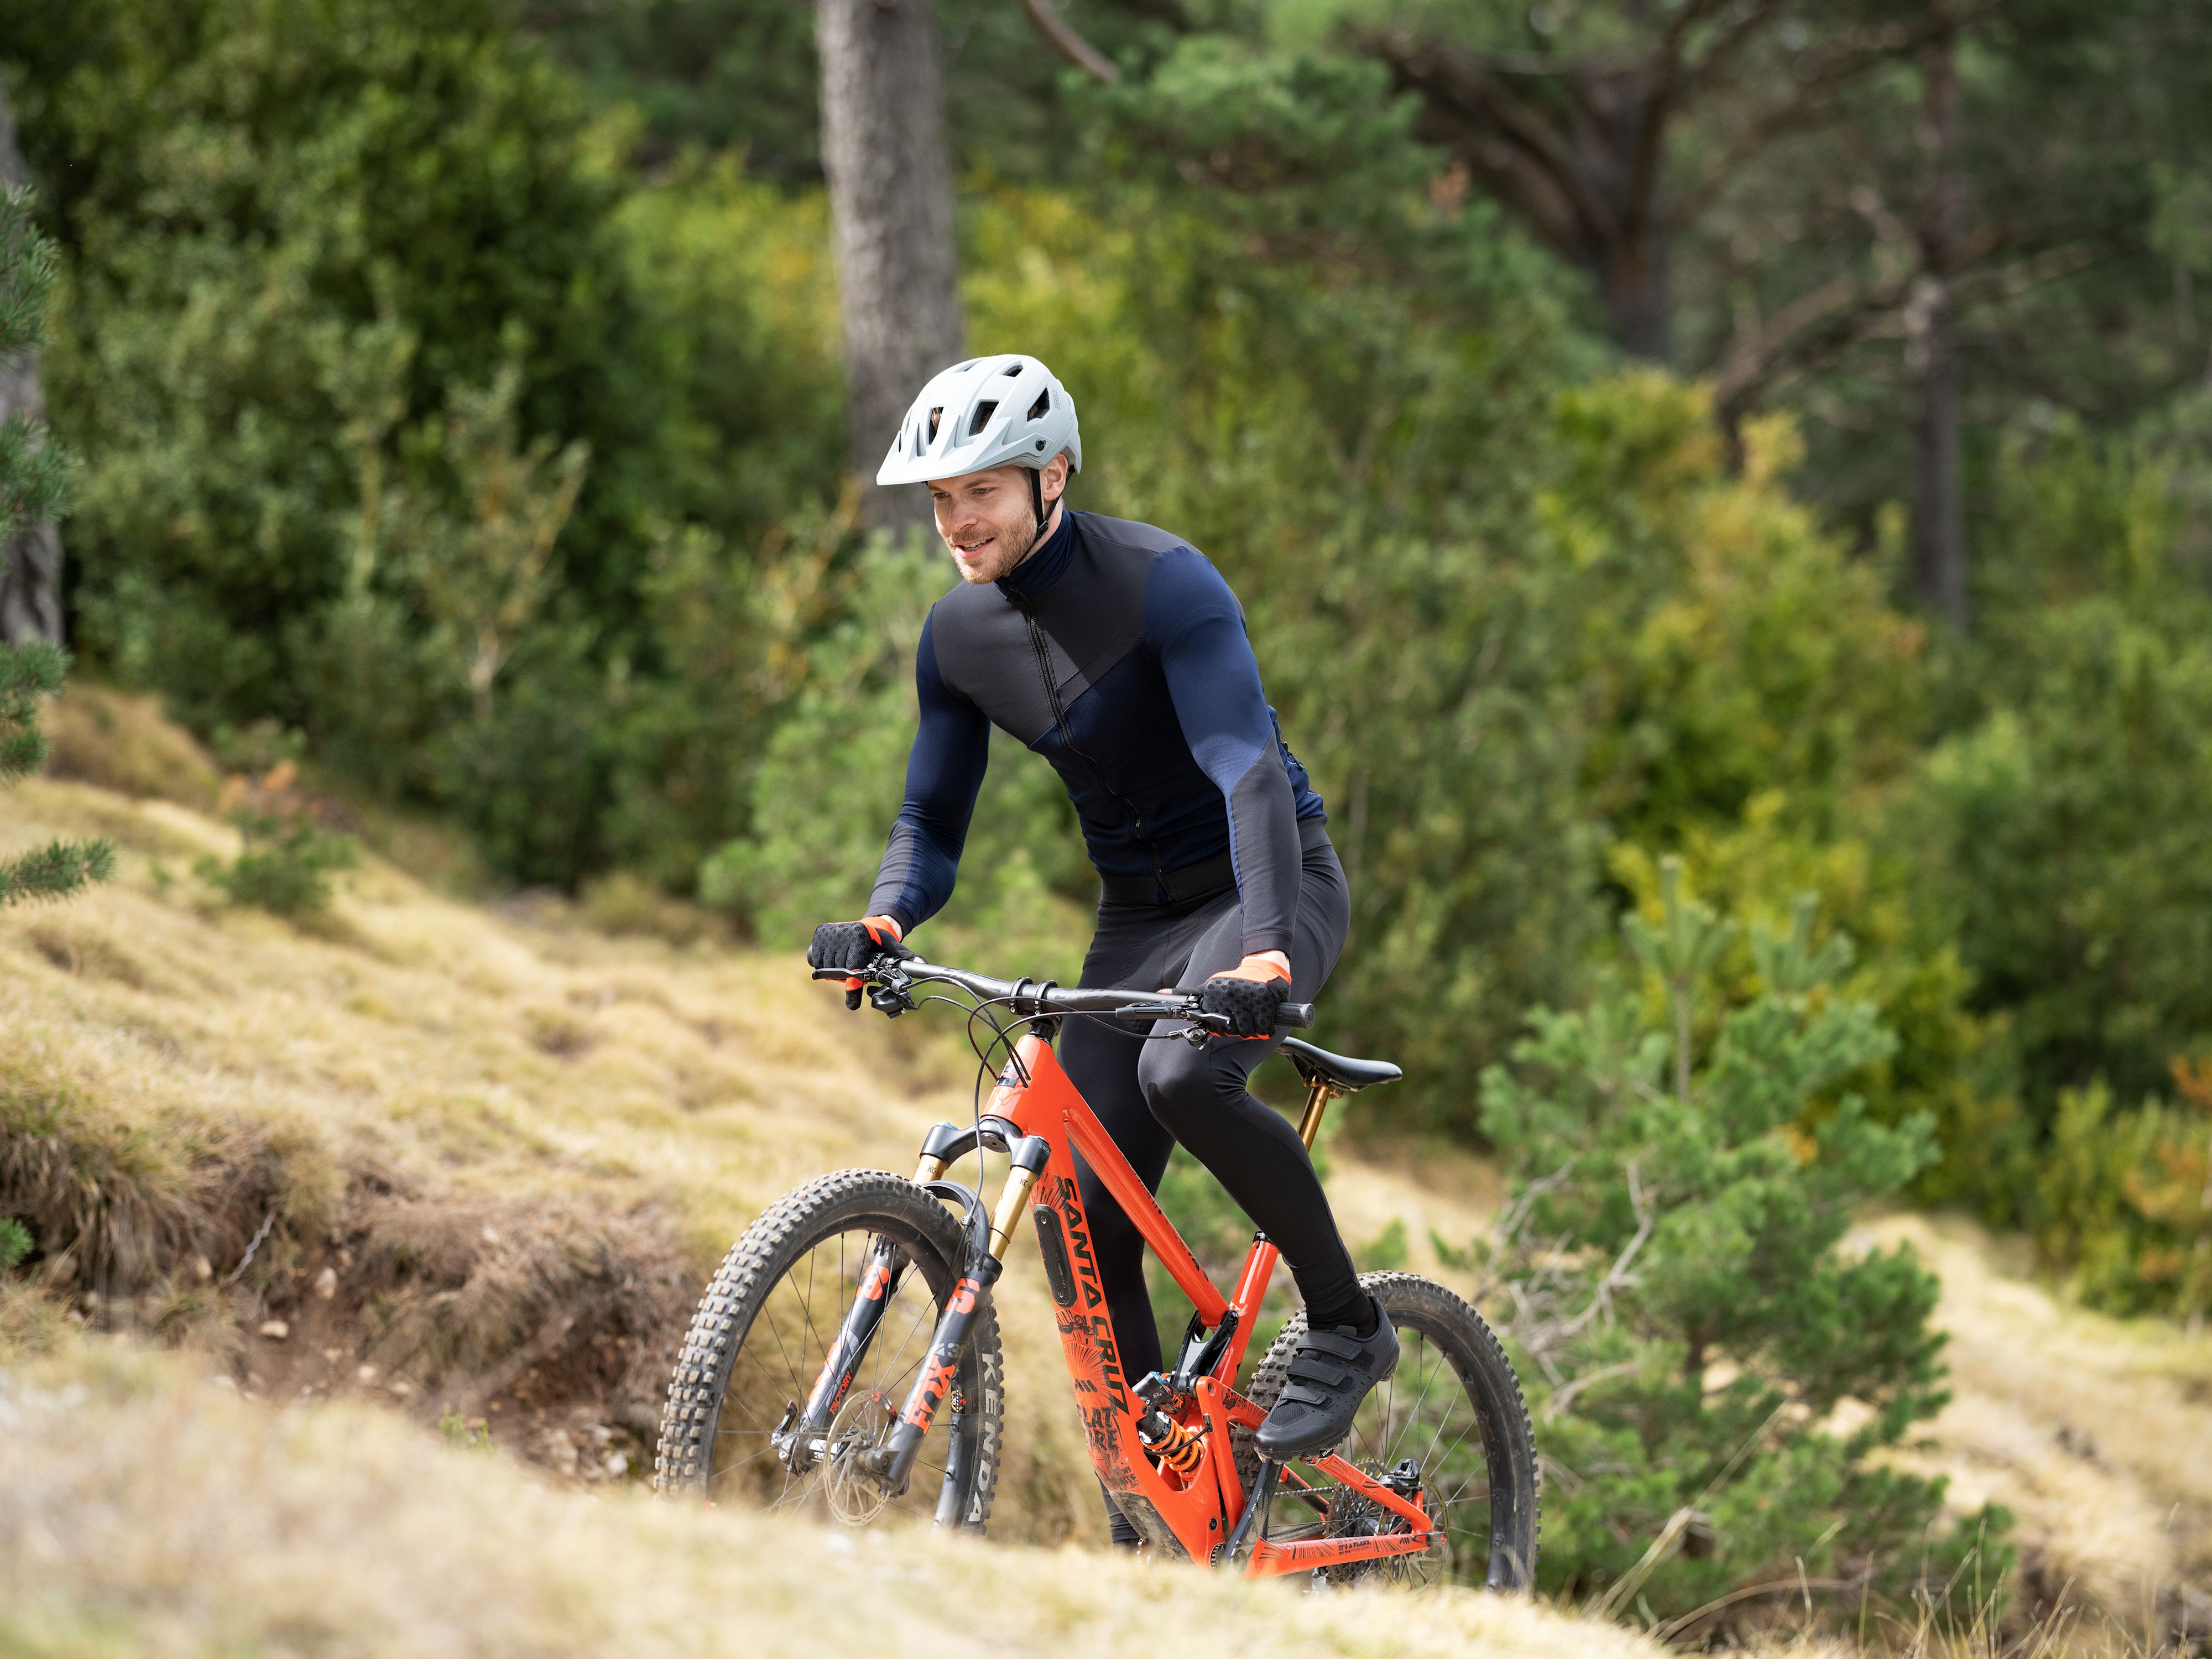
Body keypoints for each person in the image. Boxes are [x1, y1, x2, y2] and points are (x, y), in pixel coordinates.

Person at [806, 353, 1394, 1546]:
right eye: (939, 500)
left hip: (1264, 886)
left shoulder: (1162, 583)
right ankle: (1158, 1506)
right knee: (1082, 1218)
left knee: (1184, 1076)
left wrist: (1270, 954)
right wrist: (884, 919)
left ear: (1051, 477)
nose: (956, 521)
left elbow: (1244, 770)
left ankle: (1344, 1324)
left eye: (981, 492)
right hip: (1136, 918)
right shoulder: (958, 636)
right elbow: (929, 820)